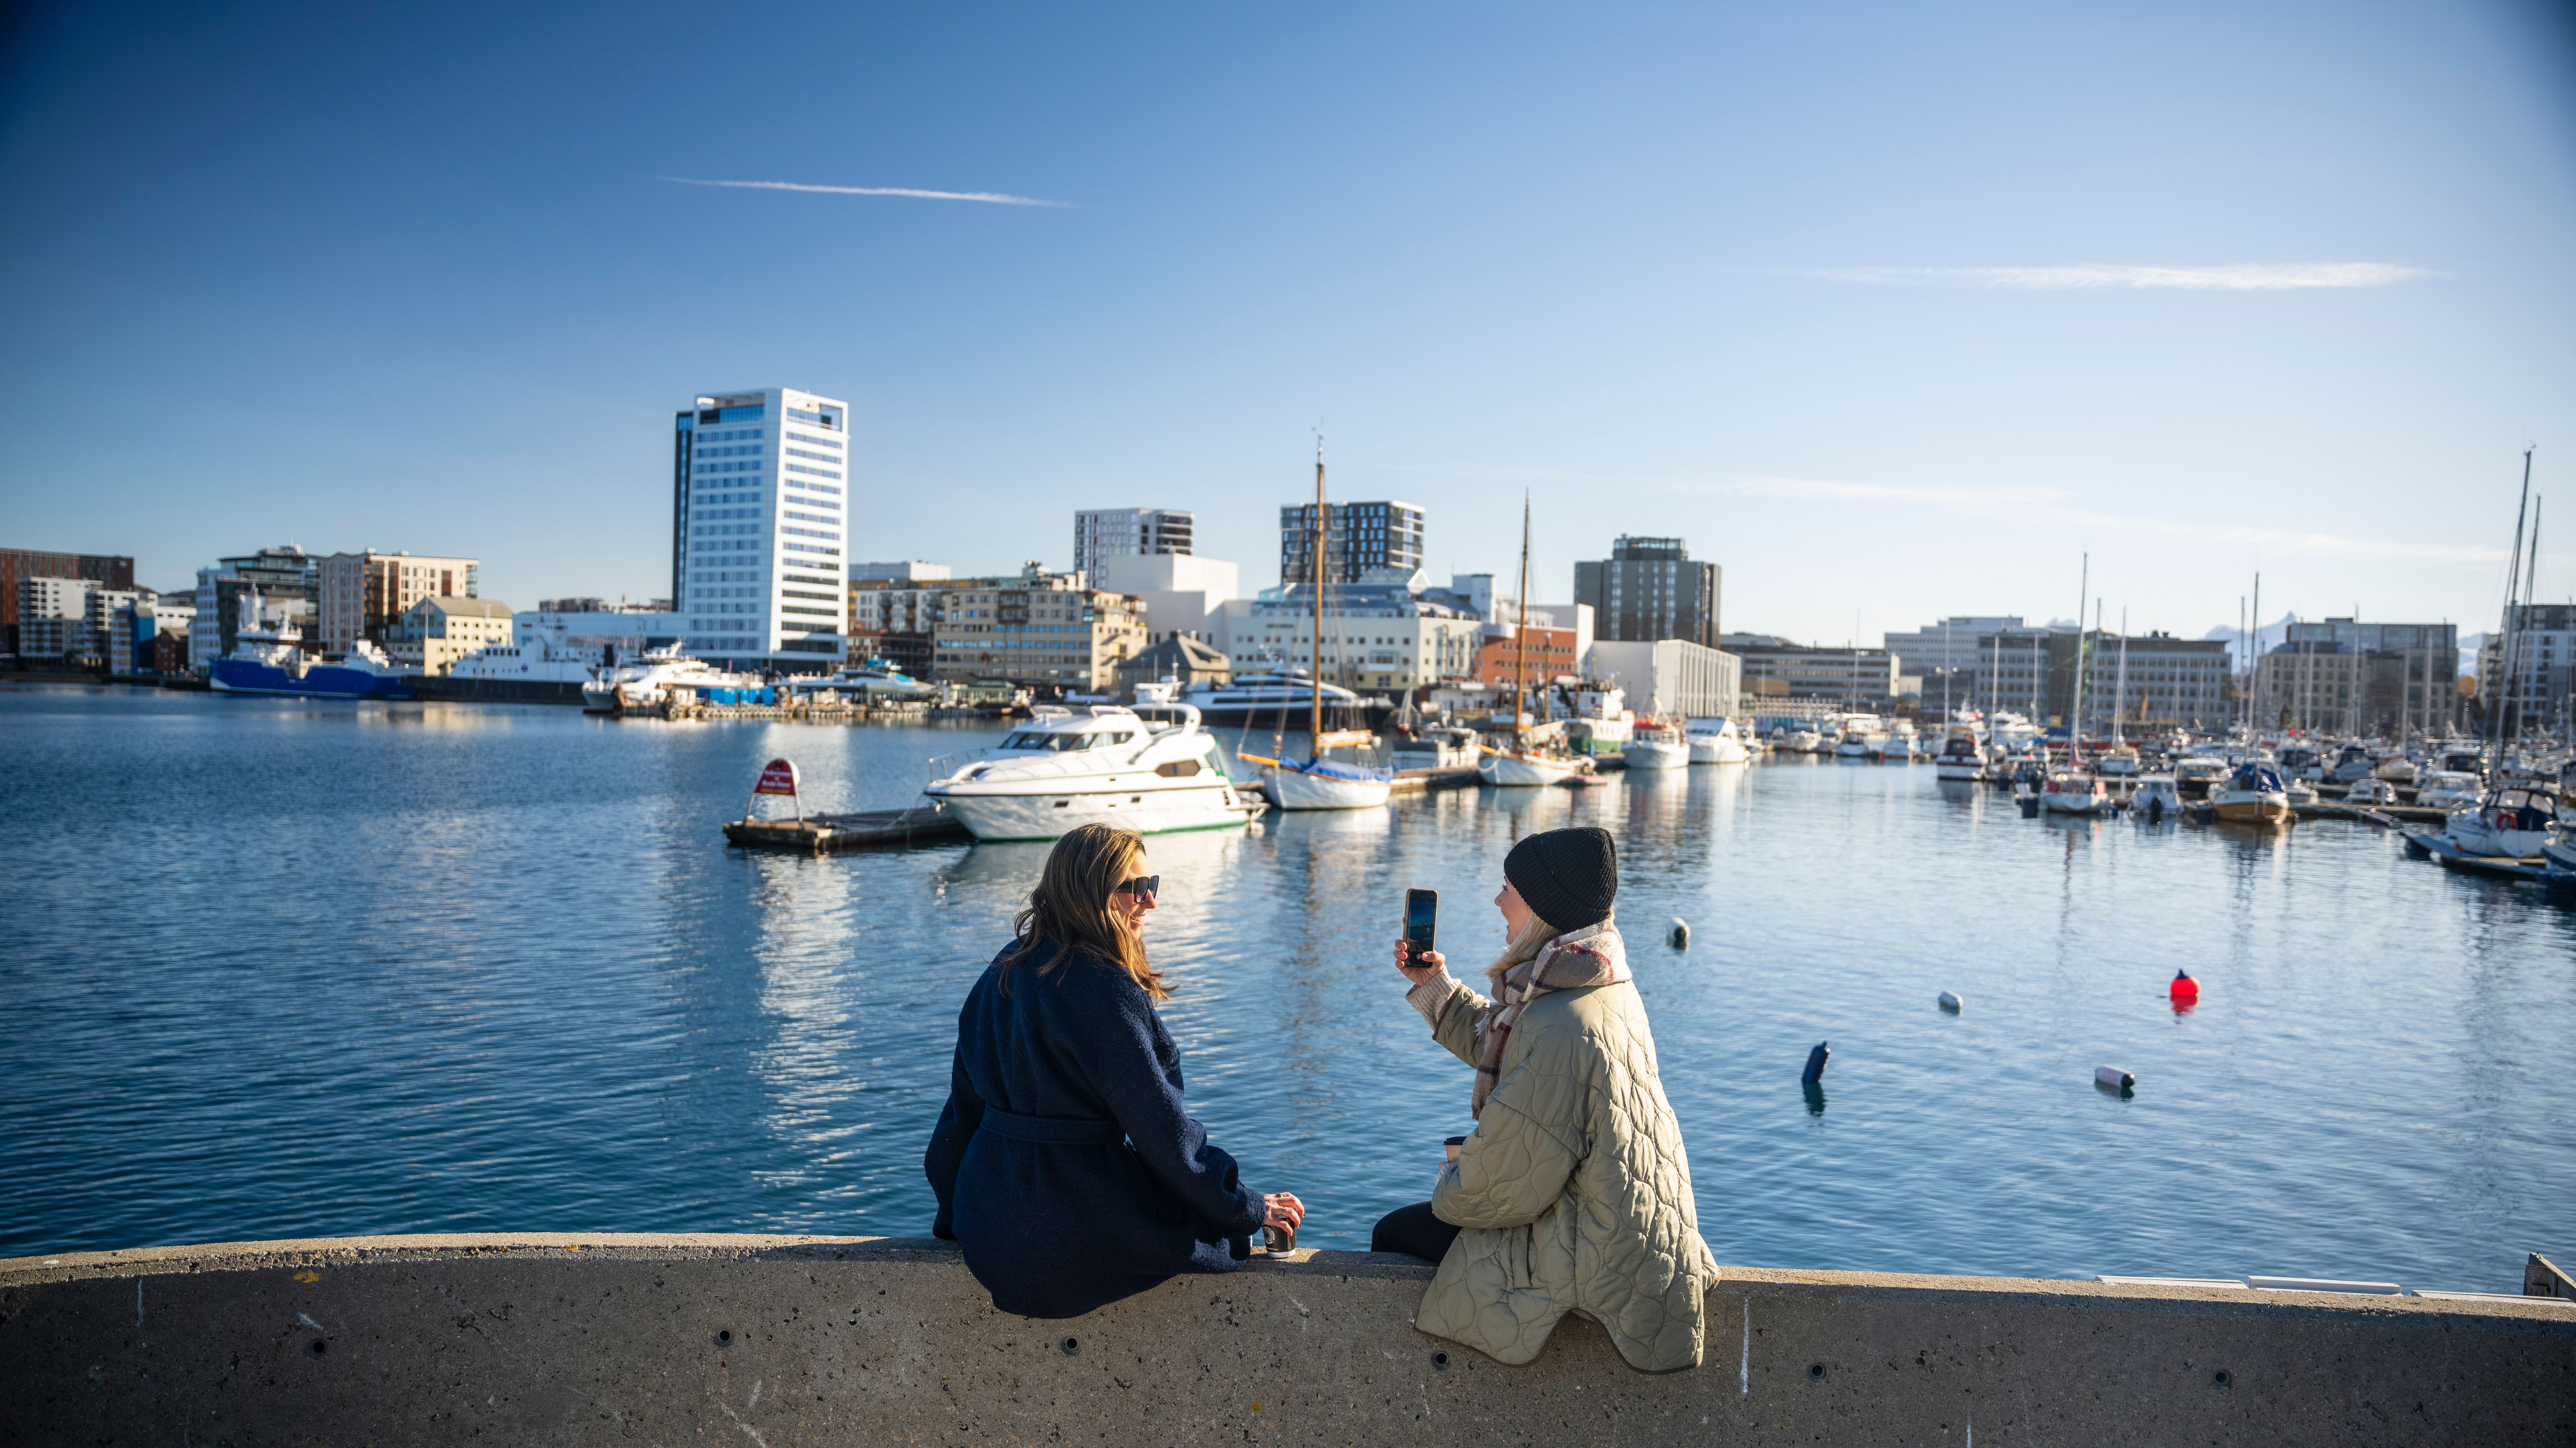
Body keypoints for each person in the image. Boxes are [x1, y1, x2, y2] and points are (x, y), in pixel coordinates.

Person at [1375, 825, 1718, 1372]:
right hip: (1631, 1231)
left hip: (1596, 1250)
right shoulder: (1599, 983)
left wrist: (1450, 1176)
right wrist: (1436, 988)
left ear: (1542, 908)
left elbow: (1497, 1190)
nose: (1497, 900)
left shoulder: (1562, 1021)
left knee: (1393, 1232)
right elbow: (1510, 1042)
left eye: (1509, 887)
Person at [926, 824, 1304, 1318]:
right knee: (1222, 1240)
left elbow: (959, 1120)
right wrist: (1248, 1208)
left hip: (991, 1228)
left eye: (1154, 886)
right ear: (1087, 892)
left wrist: (957, 1218)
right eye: (1136, 889)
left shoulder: (999, 973)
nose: (1150, 903)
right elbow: (1166, 1138)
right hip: (1073, 1230)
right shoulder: (1105, 990)